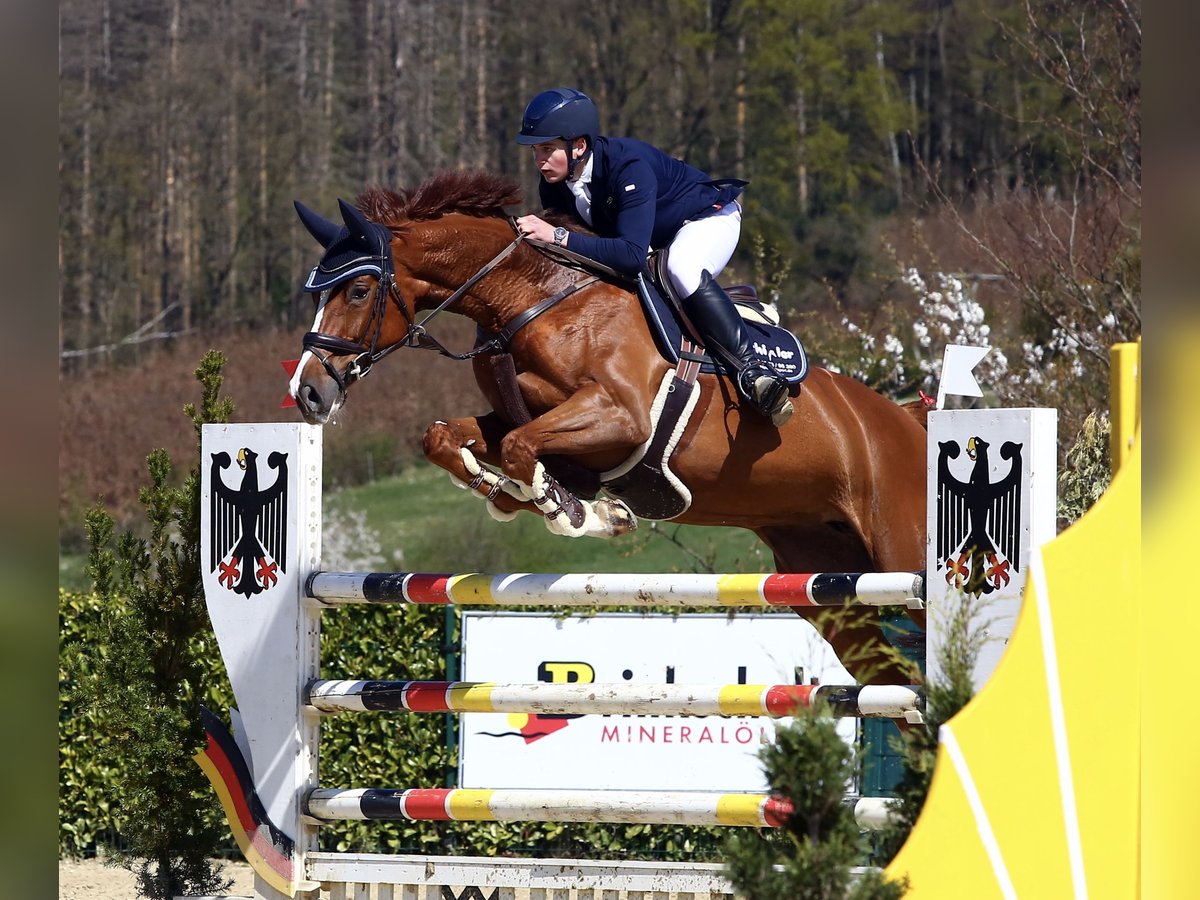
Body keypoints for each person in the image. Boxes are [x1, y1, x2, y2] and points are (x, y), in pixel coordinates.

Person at [513, 87, 793, 426]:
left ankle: (755, 372)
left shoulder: (627, 165)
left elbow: (629, 255)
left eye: (548, 149)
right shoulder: (554, 185)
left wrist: (555, 235)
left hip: (706, 219)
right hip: (652, 237)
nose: (539, 159)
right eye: (535, 151)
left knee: (681, 266)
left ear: (580, 146)